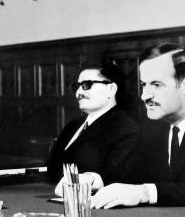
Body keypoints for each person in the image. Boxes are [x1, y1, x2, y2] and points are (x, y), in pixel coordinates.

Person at [92, 43, 185, 209]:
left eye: (156, 85)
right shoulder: (153, 122)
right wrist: (95, 179)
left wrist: (146, 193)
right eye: (143, 84)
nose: (144, 96)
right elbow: (128, 172)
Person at [48, 63, 138, 195]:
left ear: (111, 89)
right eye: (77, 86)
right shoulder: (72, 126)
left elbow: (114, 176)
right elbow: (52, 170)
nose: (78, 93)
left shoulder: (126, 129)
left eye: (87, 85)